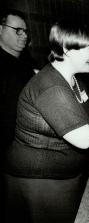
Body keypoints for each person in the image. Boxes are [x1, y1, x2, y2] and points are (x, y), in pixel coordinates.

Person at [3, 19, 89, 223]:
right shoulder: (52, 87)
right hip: (39, 183)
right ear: (68, 49)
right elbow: (84, 137)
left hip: (61, 178)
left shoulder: (73, 80)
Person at [0, 8, 36, 158]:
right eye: (17, 30)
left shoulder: (25, 62)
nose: (24, 36)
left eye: (25, 31)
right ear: (0, 30)